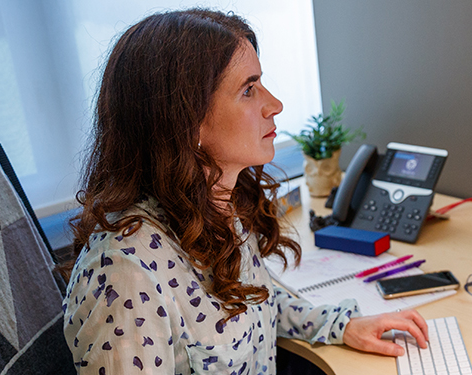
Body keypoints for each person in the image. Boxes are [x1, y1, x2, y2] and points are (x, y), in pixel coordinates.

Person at [61, 9, 428, 374]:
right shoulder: (125, 274)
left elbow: (254, 303)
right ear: (187, 121)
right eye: (249, 90)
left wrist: (340, 324)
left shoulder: (219, 203)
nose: (275, 105)